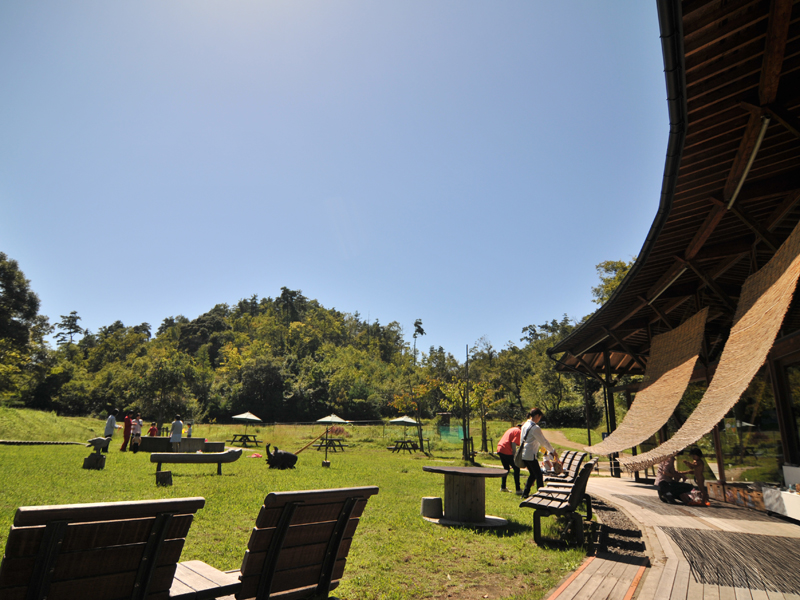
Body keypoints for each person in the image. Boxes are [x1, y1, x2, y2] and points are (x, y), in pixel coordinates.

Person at [520, 408, 558, 498]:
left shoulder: (525, 424)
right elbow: (543, 441)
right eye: (540, 417)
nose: (539, 420)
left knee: (533, 474)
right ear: (537, 416)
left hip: (524, 453)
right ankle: (541, 494)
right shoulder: (535, 428)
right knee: (538, 475)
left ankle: (525, 494)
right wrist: (552, 451)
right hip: (530, 454)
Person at [496, 424, 522, 494]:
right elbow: (513, 443)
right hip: (506, 450)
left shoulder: (511, 429)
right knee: (516, 468)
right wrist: (514, 455)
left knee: (506, 469)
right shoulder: (519, 431)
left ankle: (503, 487)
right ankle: (518, 489)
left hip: (500, 448)